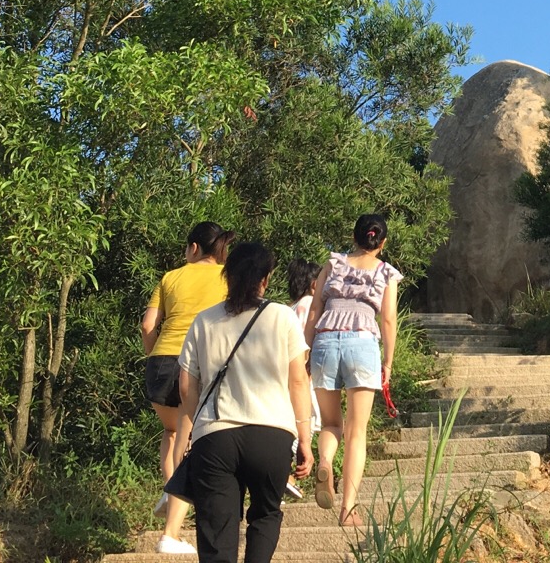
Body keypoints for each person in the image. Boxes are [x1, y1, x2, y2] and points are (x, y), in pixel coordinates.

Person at [170, 241, 314, 563]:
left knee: (218, 529)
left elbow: (185, 386)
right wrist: (305, 438)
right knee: (265, 514)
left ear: (228, 276)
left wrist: (201, 421)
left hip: (216, 436)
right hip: (272, 434)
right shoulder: (282, 316)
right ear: (265, 279)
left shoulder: (204, 321)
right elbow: (298, 382)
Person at [304, 214, 402, 528]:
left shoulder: (331, 265)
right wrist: (387, 361)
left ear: (354, 236)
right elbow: (387, 320)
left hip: (325, 342)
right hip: (362, 343)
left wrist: (307, 351)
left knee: (332, 423)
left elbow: (315, 310)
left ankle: (325, 462)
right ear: (382, 242)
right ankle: (348, 510)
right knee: (357, 433)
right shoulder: (386, 273)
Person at [142, 222, 235, 522]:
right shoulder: (227, 278)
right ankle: (180, 503)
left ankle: (170, 491)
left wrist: (152, 356)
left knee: (171, 432)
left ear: (193, 248)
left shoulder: (170, 277)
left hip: (161, 361)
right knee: (190, 438)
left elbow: (147, 326)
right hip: (199, 364)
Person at [282, 258, 322, 500]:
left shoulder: (290, 307)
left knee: (292, 425)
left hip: (285, 375)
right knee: (306, 423)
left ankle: (288, 477)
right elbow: (306, 342)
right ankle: (288, 476)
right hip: (303, 374)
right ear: (314, 284)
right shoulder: (309, 305)